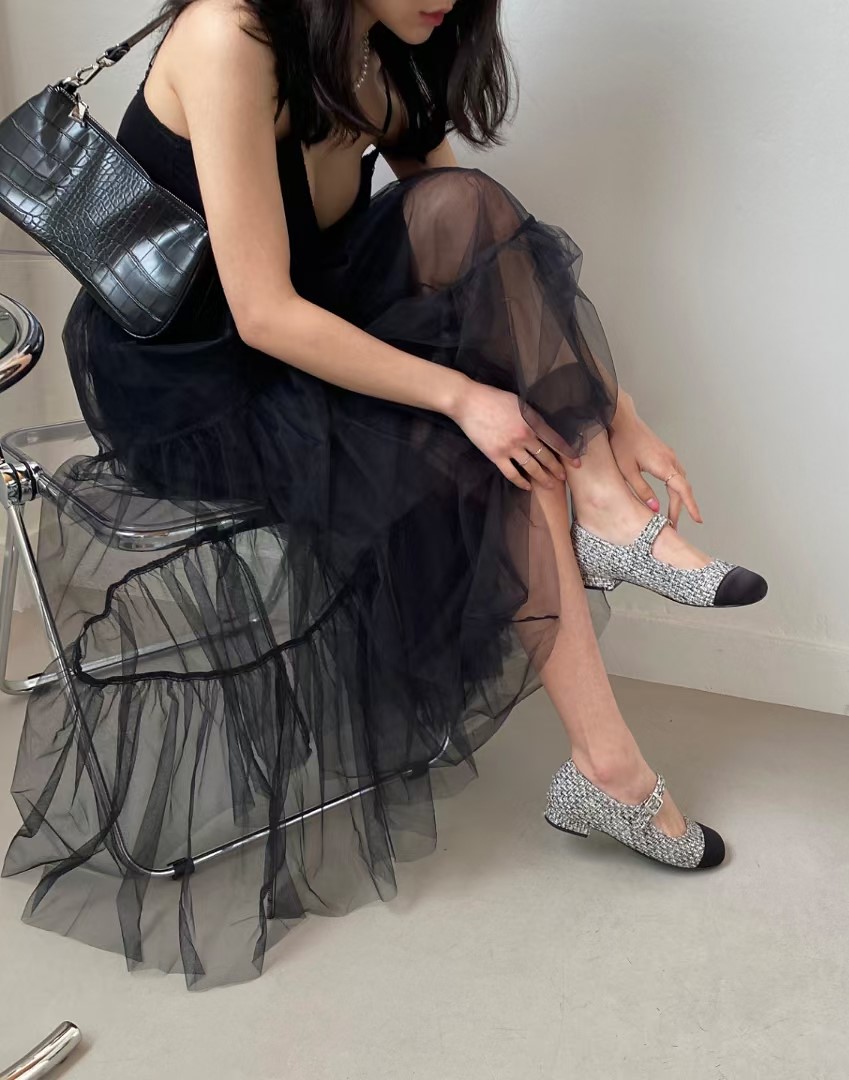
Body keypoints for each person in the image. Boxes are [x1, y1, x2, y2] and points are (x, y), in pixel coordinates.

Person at [2, 0, 767, 989]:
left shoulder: (382, 48)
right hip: (201, 382)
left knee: (471, 213)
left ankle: (606, 545)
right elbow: (262, 313)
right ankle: (611, 755)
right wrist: (464, 397)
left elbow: (493, 252)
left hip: (309, 338)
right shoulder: (230, 36)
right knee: (491, 442)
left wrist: (617, 413)